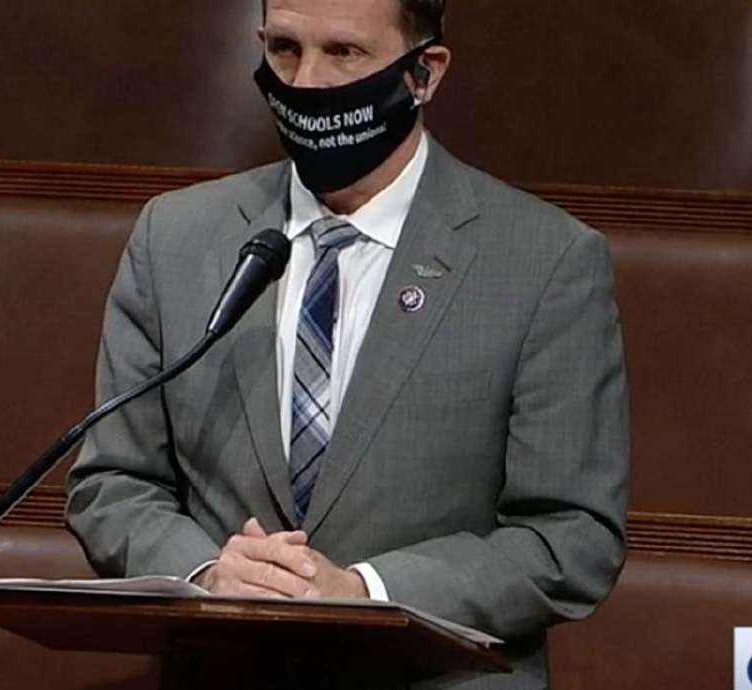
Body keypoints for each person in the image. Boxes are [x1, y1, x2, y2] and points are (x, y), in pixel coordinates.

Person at [66, 0, 629, 687]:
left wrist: (365, 591)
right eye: (284, 50)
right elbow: (113, 484)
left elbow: (573, 536)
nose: (305, 84)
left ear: (425, 73)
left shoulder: (544, 262)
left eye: (344, 53)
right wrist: (207, 569)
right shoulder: (176, 239)